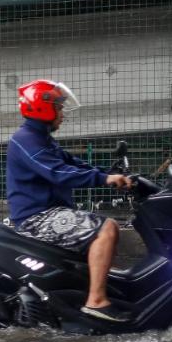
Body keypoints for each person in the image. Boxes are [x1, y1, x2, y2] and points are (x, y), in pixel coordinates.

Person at [7, 79, 133, 322]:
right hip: (36, 219)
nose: (63, 114)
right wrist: (104, 180)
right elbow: (58, 172)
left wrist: (109, 174)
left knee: (101, 230)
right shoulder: (26, 140)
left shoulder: (42, 139)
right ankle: (96, 302)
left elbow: (74, 164)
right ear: (43, 108)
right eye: (59, 108)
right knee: (106, 229)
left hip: (51, 213)